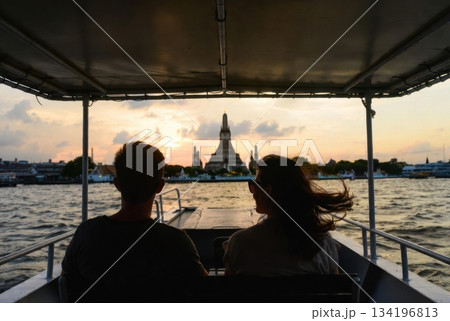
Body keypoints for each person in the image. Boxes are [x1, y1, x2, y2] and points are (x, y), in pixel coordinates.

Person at [62, 141, 207, 302]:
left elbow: (65, 283)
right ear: (160, 187)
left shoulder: (86, 234)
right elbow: (207, 291)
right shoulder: (178, 243)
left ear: (117, 184)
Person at [223, 154, 353, 276]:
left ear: (267, 190)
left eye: (254, 186)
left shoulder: (239, 243)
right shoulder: (324, 243)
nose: (253, 192)